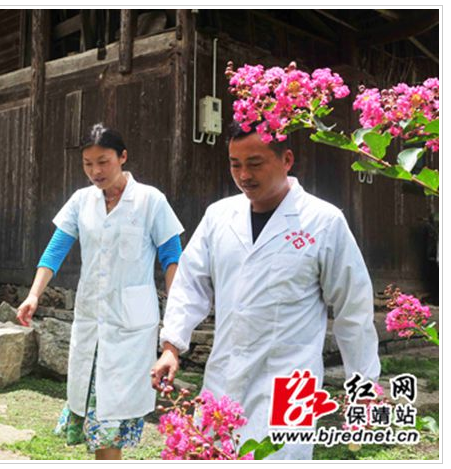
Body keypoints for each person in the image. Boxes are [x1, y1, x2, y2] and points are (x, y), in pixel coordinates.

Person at [151, 121, 380, 460]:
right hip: (225, 375)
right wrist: (172, 346)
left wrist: (363, 384)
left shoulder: (323, 221)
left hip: (290, 385)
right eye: (235, 164)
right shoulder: (218, 217)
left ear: (286, 160)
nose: (244, 175)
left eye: (255, 163)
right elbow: (190, 284)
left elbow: (353, 308)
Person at [16, 123, 184, 460]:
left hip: (130, 327)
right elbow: (55, 251)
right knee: (96, 420)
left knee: (112, 423)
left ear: (122, 157)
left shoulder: (150, 200)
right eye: (88, 164)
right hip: (91, 322)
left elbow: (172, 259)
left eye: (103, 162)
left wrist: (175, 319)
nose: (95, 171)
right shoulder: (82, 201)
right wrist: (34, 294)